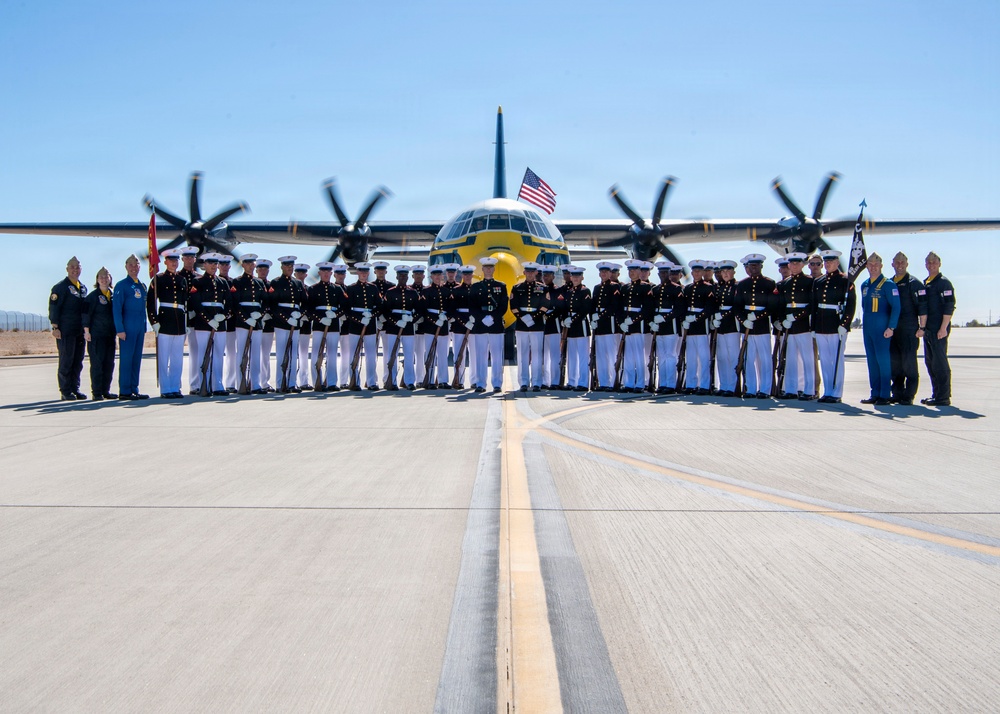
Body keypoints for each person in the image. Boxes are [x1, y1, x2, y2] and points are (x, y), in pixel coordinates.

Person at [811, 250, 856, 403]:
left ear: (837, 263)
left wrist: (845, 324)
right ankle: (828, 390)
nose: (829, 263)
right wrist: (813, 328)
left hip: (837, 324)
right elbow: (814, 306)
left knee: (836, 359)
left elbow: (851, 304)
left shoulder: (845, 281)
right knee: (824, 359)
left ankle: (837, 392)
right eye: (827, 261)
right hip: (822, 324)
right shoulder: (819, 282)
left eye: (832, 261)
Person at [733, 254, 777, 399]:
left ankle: (765, 389)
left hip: (762, 326)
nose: (754, 268)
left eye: (756, 265)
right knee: (748, 359)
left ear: (761, 266)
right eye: (751, 266)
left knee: (764, 358)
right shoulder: (742, 284)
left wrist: (757, 316)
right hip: (747, 326)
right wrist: (743, 320)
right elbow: (737, 306)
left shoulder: (769, 283)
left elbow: (772, 306)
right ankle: (750, 388)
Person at [147, 249, 189, 399]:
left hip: (179, 321)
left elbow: (186, 302)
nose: (174, 263)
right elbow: (151, 302)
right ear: (165, 262)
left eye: (176, 261)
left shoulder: (182, 280)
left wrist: (187, 323)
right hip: (165, 320)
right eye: (171, 260)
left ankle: (175, 386)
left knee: (177, 357)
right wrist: (154, 321)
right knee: (164, 357)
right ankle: (165, 389)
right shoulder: (159, 279)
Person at [859, 253, 900, 405]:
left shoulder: (888, 284)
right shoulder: (864, 285)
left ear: (881, 266)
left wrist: (891, 327)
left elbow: (896, 307)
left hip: (882, 328)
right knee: (871, 361)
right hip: (868, 327)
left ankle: (884, 394)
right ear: (867, 266)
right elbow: (864, 307)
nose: (873, 267)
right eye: (870, 265)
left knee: (883, 361)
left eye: (876, 265)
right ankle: (874, 392)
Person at [189, 253, 231, 396]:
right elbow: (196, 303)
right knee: (203, 354)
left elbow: (229, 302)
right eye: (210, 263)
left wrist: (223, 316)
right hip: (203, 323)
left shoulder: (223, 282)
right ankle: (203, 384)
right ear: (204, 265)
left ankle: (217, 385)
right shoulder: (198, 281)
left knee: (219, 354)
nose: (213, 266)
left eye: (215, 263)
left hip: (219, 322)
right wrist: (208, 319)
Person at [775, 253, 815, 400]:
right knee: (790, 359)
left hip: (803, 324)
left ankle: (808, 390)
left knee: (807, 359)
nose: (794, 266)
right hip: (788, 327)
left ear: (802, 265)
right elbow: (781, 304)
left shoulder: (809, 281)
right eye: (791, 264)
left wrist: (796, 316)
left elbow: (812, 304)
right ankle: (791, 389)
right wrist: (781, 320)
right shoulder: (785, 283)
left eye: (797, 263)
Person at [889, 252, 927, 405]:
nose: (899, 265)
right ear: (892, 264)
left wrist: (922, 327)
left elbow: (923, 307)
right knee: (895, 364)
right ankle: (897, 393)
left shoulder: (914, 283)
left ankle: (909, 395)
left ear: (907, 264)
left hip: (909, 330)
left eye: (902, 262)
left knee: (909, 364)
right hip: (894, 331)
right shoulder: (889, 283)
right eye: (897, 262)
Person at [48, 256, 89, 400]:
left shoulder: (83, 288)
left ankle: (75, 388)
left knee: (78, 361)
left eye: (77, 267)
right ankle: (65, 391)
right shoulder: (60, 288)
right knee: (66, 360)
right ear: (67, 269)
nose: (75, 270)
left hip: (79, 331)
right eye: (72, 267)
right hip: (65, 330)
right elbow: (54, 308)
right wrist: (55, 327)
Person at [267, 256, 308, 393]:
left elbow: (305, 303)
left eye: (291, 266)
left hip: (295, 321)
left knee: (293, 353)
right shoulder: (276, 282)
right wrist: (286, 317)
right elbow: (272, 305)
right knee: (281, 353)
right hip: (281, 322)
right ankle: (280, 383)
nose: (289, 268)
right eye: (287, 266)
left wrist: (299, 314)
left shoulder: (298, 283)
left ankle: (292, 383)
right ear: (282, 267)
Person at [112, 254, 149, 400]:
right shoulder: (122, 285)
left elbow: (143, 308)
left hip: (139, 326)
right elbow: (117, 308)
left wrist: (145, 326)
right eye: (131, 265)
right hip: (127, 326)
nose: (134, 268)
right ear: (126, 267)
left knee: (136, 359)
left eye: (136, 265)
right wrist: (119, 328)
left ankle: (134, 388)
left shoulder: (142, 285)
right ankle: (125, 390)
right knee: (127, 359)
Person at [921, 251, 956, 406]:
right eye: (928, 262)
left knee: (940, 363)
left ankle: (943, 397)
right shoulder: (927, 282)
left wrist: (944, 328)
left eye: (934, 262)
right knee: (930, 362)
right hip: (928, 330)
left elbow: (949, 306)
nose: (931, 265)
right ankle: (936, 394)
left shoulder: (944, 283)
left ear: (939, 264)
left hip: (938, 330)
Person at [510, 262, 551, 392]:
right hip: (522, 324)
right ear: (524, 273)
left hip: (537, 324)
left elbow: (545, 305)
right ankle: (523, 382)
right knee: (522, 354)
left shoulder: (543, 288)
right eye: (527, 271)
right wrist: (523, 317)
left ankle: (537, 382)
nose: (530, 274)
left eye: (532, 272)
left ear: (536, 273)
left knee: (537, 355)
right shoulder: (517, 288)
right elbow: (513, 305)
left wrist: (533, 318)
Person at [469, 257, 508, 393]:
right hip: (480, 324)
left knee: (497, 355)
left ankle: (497, 383)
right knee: (481, 355)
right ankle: (480, 383)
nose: (488, 269)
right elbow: (472, 306)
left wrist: (493, 317)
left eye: (491, 267)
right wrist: (481, 318)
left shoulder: (501, 286)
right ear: (482, 269)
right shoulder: (475, 287)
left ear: (494, 269)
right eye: (486, 267)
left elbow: (503, 306)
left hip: (495, 323)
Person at [231, 254, 268, 395]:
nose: (251, 266)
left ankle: (255, 384)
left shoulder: (259, 282)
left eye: (253, 264)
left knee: (255, 354)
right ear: (243, 265)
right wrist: (246, 318)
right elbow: (235, 304)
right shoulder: (237, 282)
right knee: (241, 353)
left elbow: (265, 301)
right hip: (243, 322)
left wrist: (260, 314)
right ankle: (241, 382)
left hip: (256, 322)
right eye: (248, 263)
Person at [343, 262, 384, 390]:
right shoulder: (351, 288)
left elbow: (380, 305)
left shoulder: (373, 288)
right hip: (355, 325)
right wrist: (359, 319)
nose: (364, 274)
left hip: (370, 325)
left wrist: (371, 316)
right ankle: (354, 381)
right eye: (361, 272)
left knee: (371, 355)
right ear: (357, 273)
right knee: (354, 354)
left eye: (366, 272)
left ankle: (371, 382)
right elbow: (346, 309)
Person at [308, 261, 345, 392]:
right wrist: (320, 318)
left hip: (334, 324)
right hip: (319, 324)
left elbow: (344, 307)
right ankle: (316, 381)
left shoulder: (337, 288)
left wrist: (335, 315)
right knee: (316, 354)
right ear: (319, 273)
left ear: (331, 273)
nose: (326, 274)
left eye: (328, 272)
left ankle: (331, 382)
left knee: (332, 354)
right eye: (323, 272)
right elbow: (309, 309)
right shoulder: (313, 289)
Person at [680, 260, 717, 394]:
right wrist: (684, 319)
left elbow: (709, 308)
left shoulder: (708, 288)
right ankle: (691, 384)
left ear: (702, 272)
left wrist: (696, 318)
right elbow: (683, 306)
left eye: (699, 271)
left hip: (702, 325)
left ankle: (705, 385)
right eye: (694, 271)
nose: (696, 273)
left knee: (703, 357)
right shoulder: (688, 288)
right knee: (691, 357)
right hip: (690, 327)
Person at [382, 265, 420, 390]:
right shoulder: (391, 292)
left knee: (409, 355)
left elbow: (420, 310)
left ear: (408, 277)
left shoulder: (412, 292)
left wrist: (411, 319)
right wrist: (395, 322)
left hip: (408, 327)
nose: (403, 278)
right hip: (393, 327)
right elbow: (386, 311)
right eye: (401, 276)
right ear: (397, 277)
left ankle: (409, 381)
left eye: (405, 276)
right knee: (392, 354)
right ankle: (391, 381)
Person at [82, 267, 117, 400]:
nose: (104, 279)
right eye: (101, 277)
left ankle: (106, 390)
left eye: (106, 276)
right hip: (96, 336)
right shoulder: (92, 297)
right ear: (97, 280)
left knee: (109, 364)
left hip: (110, 335)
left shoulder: (113, 296)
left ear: (110, 279)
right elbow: (86, 315)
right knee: (97, 364)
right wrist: (86, 332)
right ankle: (96, 392)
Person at [649, 261, 683, 394]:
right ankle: (662, 383)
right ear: (658, 274)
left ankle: (671, 384)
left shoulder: (676, 289)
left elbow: (679, 309)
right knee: (661, 356)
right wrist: (652, 322)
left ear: (670, 274)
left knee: (670, 355)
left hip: (670, 325)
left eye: (666, 272)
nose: (663, 275)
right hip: (658, 327)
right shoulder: (655, 290)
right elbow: (651, 308)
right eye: (661, 273)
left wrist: (664, 318)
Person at [618, 259, 652, 392]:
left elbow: (647, 309)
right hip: (627, 325)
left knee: (639, 356)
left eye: (634, 270)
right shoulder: (625, 287)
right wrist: (621, 322)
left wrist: (633, 320)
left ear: (639, 271)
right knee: (628, 356)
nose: (631, 273)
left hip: (638, 325)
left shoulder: (645, 287)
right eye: (630, 271)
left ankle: (640, 383)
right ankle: (629, 382)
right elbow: (619, 307)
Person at [591, 262, 623, 391]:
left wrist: (600, 315)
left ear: (610, 273)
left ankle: (611, 382)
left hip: (609, 324)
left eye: (606, 272)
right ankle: (602, 381)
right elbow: (593, 304)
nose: (603, 274)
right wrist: (592, 317)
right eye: (602, 272)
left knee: (611, 355)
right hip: (599, 325)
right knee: (600, 355)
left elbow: (614, 306)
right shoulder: (597, 287)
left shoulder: (614, 287)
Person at [560, 266, 593, 391]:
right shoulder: (568, 292)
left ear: (582, 277)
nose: (575, 278)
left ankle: (583, 383)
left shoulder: (585, 291)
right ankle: (572, 381)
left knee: (583, 357)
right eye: (573, 276)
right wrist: (564, 319)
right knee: (571, 356)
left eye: (578, 276)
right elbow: (563, 307)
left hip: (581, 327)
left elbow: (585, 309)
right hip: (570, 328)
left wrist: (572, 320)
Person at [419, 265, 453, 388]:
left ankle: (443, 380)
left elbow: (451, 307)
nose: (437, 277)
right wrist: (434, 320)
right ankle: (430, 380)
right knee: (430, 354)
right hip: (430, 326)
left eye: (439, 275)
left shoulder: (446, 291)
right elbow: (423, 310)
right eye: (435, 275)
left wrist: (446, 317)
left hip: (443, 326)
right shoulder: (426, 291)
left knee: (443, 354)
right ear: (431, 277)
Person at [712, 260, 740, 396]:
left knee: (732, 356)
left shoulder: (737, 287)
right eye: (723, 272)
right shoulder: (719, 287)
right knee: (722, 357)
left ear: (733, 272)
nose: (725, 274)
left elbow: (737, 306)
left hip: (731, 324)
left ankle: (733, 386)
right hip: (720, 326)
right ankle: (724, 385)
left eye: (728, 271)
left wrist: (722, 315)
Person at [217, 256, 240, 393]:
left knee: (232, 355)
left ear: (229, 267)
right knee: (217, 354)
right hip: (215, 322)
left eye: (227, 265)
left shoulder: (234, 283)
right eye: (222, 265)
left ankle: (231, 383)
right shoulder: (214, 281)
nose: (225, 267)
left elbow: (235, 301)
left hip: (231, 322)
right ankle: (215, 383)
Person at [254, 259, 276, 392]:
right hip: (254, 321)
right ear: (256, 270)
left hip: (268, 323)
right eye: (260, 269)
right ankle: (254, 381)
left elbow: (274, 302)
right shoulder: (254, 283)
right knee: (254, 353)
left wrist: (269, 314)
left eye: (265, 269)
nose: (262, 271)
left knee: (266, 355)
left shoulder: (271, 285)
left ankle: (265, 381)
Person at [293, 264, 313, 389]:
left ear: (306, 275)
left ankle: (304, 381)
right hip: (292, 323)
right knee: (292, 353)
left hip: (305, 324)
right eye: (298, 273)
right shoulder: (291, 288)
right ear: (295, 274)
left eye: (303, 273)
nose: (300, 275)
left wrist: (305, 315)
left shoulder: (309, 289)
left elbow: (311, 305)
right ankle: (291, 381)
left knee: (304, 354)